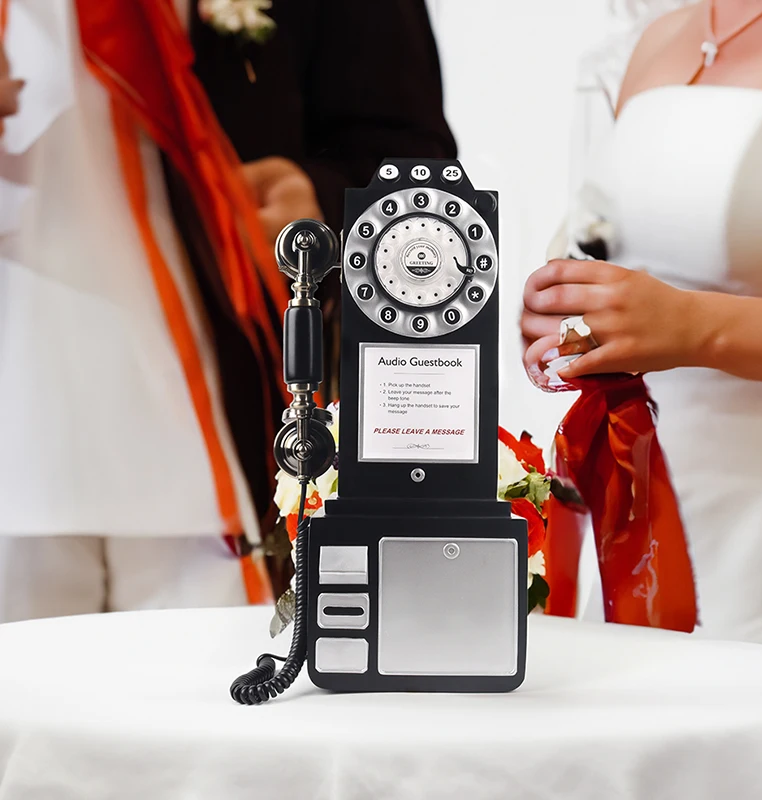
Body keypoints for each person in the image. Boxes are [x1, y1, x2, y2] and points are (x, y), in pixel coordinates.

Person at [0, 0, 456, 623]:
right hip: (20, 418)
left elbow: (413, 166)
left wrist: (321, 205)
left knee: (213, 699)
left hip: (214, 431)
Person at [521, 0, 762, 649]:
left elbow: (679, 308)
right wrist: (566, 322)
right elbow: (631, 256)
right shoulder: (659, 38)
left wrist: (693, 326)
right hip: (635, 511)